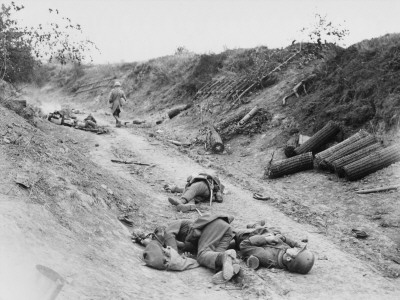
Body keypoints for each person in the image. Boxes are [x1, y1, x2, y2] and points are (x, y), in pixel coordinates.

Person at [138, 214, 241, 284]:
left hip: (215, 226)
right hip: (227, 231)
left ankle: (226, 256)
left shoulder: (171, 226)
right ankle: (231, 264)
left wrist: (175, 254)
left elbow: (169, 235)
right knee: (214, 258)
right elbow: (188, 245)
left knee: (202, 255)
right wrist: (183, 250)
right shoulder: (181, 238)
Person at [234, 222, 315, 274]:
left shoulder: (267, 256)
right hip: (265, 233)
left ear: (288, 259)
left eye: (297, 251)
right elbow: (296, 245)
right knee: (275, 231)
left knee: (230, 231)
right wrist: (283, 238)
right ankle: (256, 225)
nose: (296, 248)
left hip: (246, 236)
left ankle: (255, 226)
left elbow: (244, 245)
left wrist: (266, 239)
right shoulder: (286, 254)